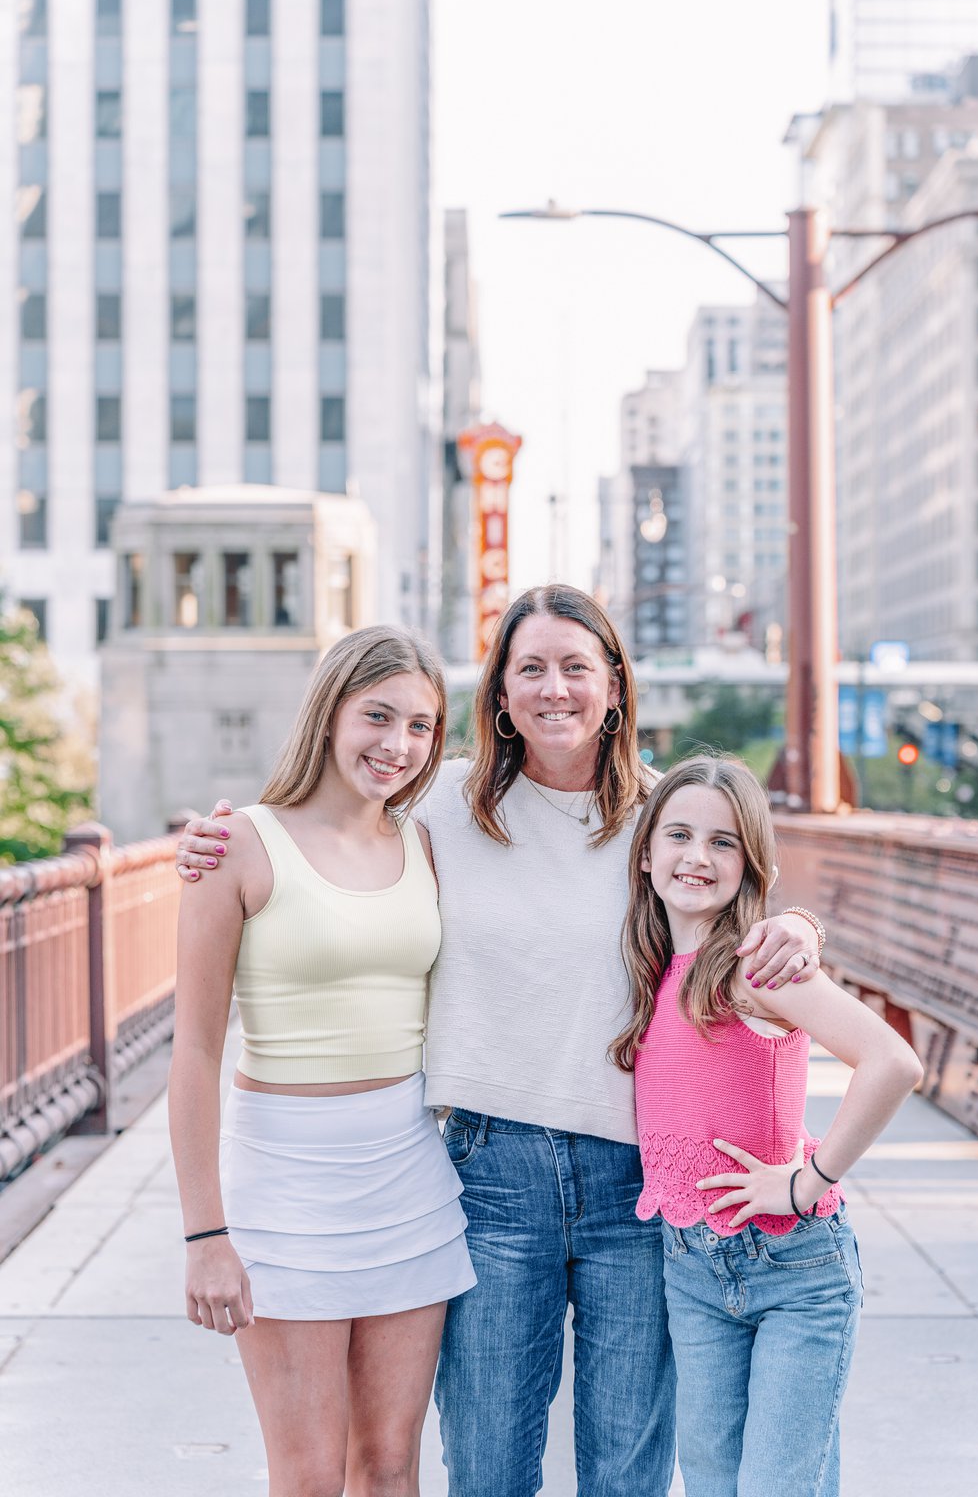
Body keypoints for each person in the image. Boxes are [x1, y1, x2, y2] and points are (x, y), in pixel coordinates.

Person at [177, 584, 825, 1497]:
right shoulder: (438, 801)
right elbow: (328, 836)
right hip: (487, 1173)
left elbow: (744, 893)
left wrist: (800, 926)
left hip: (635, 1177)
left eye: (576, 667)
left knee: (627, 1471)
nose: (554, 688)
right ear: (502, 694)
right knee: (484, 1468)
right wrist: (217, 843)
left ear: (614, 686)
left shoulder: (665, 816)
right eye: (531, 669)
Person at [168, 625, 476, 1497]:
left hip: (408, 1181)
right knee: (307, 1476)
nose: (398, 744)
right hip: (283, 1189)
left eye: (420, 725)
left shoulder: (427, 842)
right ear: (330, 712)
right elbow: (195, 1049)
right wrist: (205, 1236)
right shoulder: (236, 845)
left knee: (390, 1466)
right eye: (377, 715)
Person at [612, 755, 922, 1497]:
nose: (697, 856)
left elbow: (892, 1062)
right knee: (713, 1482)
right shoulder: (654, 967)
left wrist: (807, 1182)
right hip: (692, 1269)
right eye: (680, 835)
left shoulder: (754, 966)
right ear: (646, 853)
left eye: (723, 842)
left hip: (792, 1269)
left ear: (752, 864)